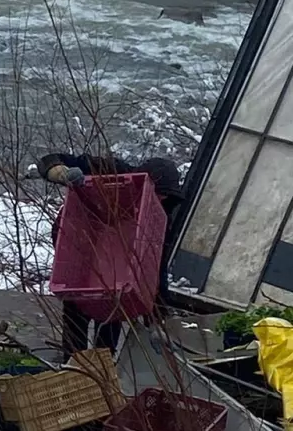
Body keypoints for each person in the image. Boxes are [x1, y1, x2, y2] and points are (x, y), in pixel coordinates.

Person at [32, 151, 183, 358]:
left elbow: (157, 269)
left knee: (112, 318)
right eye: (156, 193)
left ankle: (103, 370)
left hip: (118, 274)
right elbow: (48, 159)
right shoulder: (112, 173)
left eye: (164, 197)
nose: (158, 199)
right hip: (79, 244)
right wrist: (61, 173)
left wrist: (156, 321)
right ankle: (74, 366)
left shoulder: (159, 218)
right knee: (76, 311)